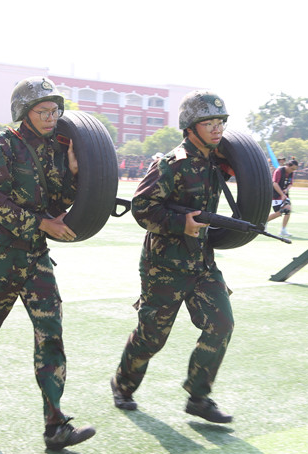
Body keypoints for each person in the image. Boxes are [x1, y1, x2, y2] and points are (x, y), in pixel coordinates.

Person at [0, 76, 96, 450]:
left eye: (55, 110)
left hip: (36, 255)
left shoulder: (59, 148)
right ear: (25, 112)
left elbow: (59, 200)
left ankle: (55, 425)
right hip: (2, 253)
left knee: (50, 331)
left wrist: (75, 173)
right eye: (43, 111)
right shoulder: (4, 144)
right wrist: (42, 223)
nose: (52, 117)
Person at [110, 90, 235, 424]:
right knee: (152, 337)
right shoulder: (171, 164)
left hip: (202, 263)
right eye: (208, 122)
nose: (217, 129)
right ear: (191, 127)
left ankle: (198, 396)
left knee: (221, 324)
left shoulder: (216, 162)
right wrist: (182, 224)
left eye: (220, 122)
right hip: (165, 265)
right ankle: (123, 384)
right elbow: (142, 208)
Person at [267, 160, 298, 236]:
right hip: (276, 195)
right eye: (292, 169)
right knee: (278, 213)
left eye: (294, 169)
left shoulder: (291, 173)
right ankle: (263, 222)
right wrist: (282, 194)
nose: (293, 171)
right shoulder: (279, 171)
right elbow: (275, 183)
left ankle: (283, 230)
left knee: (288, 210)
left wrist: (287, 189)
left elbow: (290, 184)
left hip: (284, 194)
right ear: (287, 165)